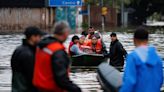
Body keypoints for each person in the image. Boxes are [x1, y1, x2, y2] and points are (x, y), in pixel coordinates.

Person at [33, 21, 81, 92]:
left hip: (38, 88)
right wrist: (76, 89)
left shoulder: (41, 46)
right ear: (65, 33)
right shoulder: (57, 51)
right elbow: (61, 79)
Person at [120, 27, 163, 92]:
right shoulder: (157, 58)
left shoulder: (133, 57)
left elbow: (129, 82)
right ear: (147, 39)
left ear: (134, 40)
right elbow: (160, 81)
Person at [11, 27, 43, 92]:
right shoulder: (28, 54)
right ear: (32, 37)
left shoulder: (18, 49)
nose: (40, 39)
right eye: (39, 37)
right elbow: (32, 77)